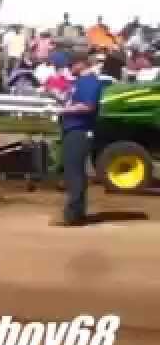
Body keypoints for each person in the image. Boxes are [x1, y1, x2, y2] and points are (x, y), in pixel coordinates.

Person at [52, 52, 104, 227]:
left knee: (74, 172)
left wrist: (63, 111)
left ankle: (73, 214)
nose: (69, 68)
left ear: (81, 64)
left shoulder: (89, 81)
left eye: (72, 65)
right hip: (73, 129)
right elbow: (75, 102)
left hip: (80, 130)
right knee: (73, 171)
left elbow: (88, 106)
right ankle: (77, 212)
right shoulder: (80, 82)